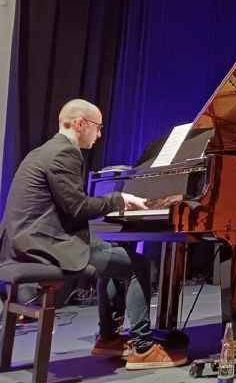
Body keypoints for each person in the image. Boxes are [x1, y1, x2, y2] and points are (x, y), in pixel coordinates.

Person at [0, 99, 187, 370]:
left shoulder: (42, 151)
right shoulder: (66, 153)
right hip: (46, 246)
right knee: (140, 266)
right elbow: (77, 208)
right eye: (97, 127)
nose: (99, 135)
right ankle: (143, 347)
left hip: (28, 240)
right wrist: (119, 200)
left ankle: (108, 338)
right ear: (80, 124)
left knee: (110, 251)